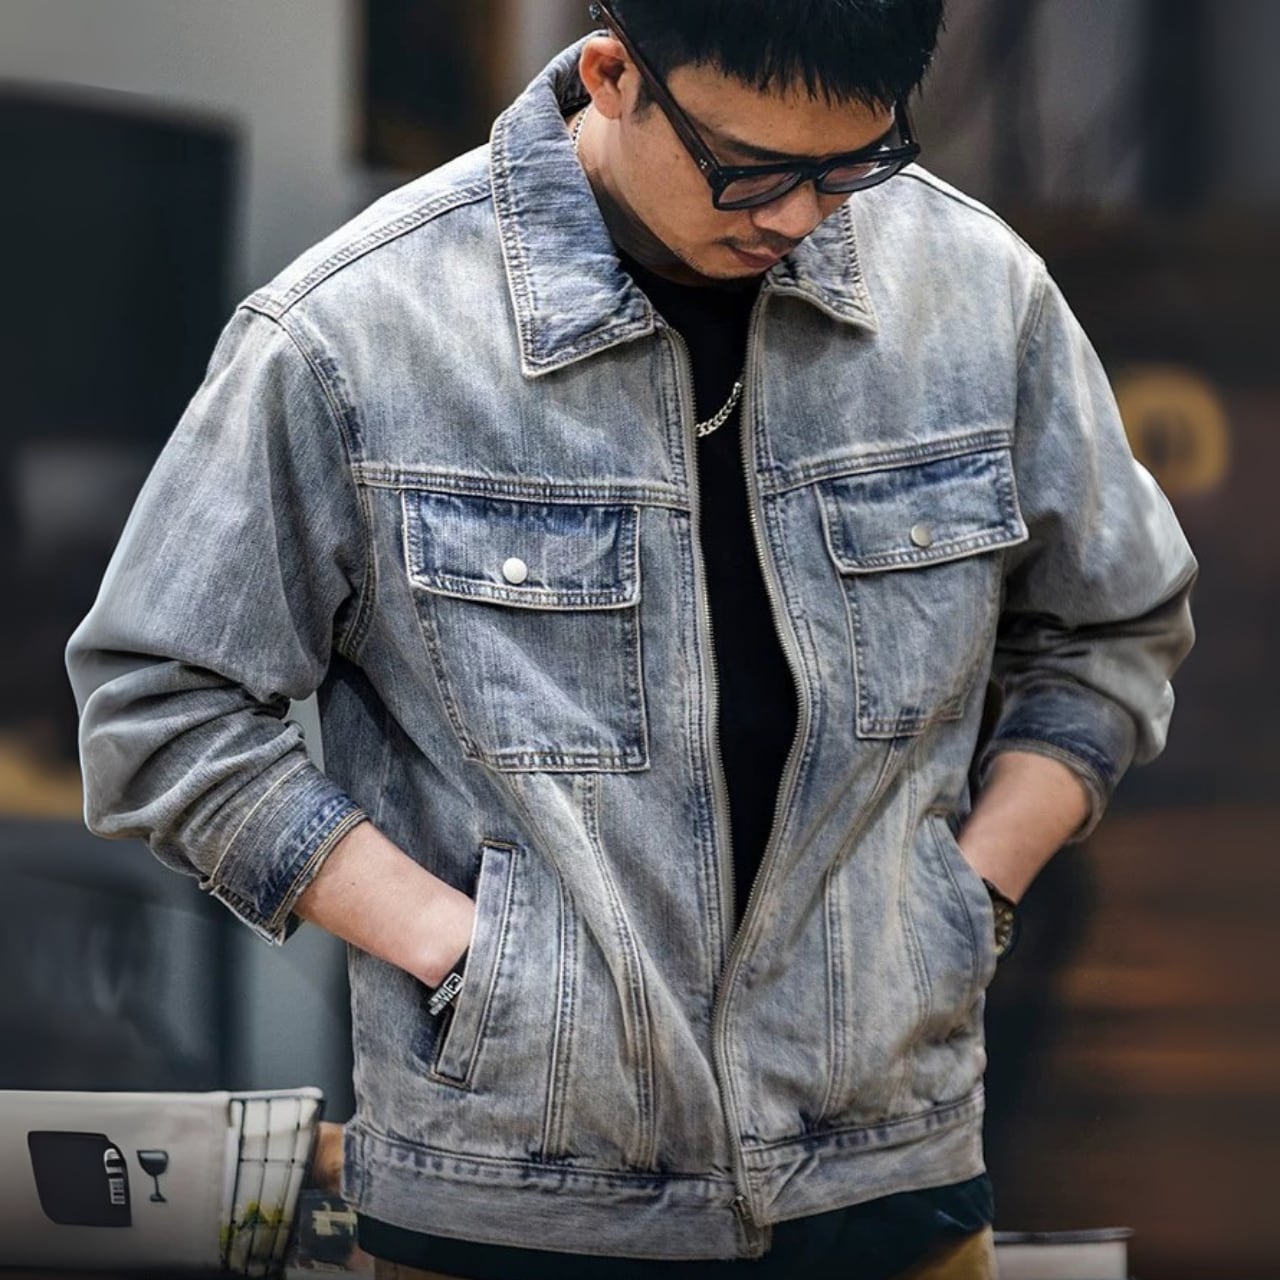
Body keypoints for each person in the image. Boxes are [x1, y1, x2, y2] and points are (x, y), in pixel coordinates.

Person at [67, 1, 1196, 1277]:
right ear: (612, 75)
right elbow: (161, 703)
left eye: (850, 164)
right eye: (749, 170)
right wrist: (466, 956)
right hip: (511, 1198)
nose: (796, 216)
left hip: (894, 1175)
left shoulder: (973, 291)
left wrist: (966, 893)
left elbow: (1111, 622)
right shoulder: (357, 330)